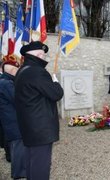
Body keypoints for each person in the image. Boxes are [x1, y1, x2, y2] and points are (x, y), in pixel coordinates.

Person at [14, 41, 64, 180]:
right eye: (42, 55)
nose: (44, 58)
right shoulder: (37, 72)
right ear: (38, 55)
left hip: (30, 125)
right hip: (40, 127)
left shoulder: (23, 70)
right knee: (40, 164)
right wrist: (56, 82)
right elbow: (56, 94)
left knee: (32, 160)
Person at [0, 60, 26, 179]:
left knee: (18, 146)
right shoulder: (6, 83)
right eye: (17, 70)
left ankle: (21, 170)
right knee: (18, 147)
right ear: (13, 70)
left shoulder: (7, 81)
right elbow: (18, 99)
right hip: (13, 121)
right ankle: (18, 174)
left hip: (12, 120)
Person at [0, 60, 11, 163]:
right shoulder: (4, 81)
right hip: (5, 112)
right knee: (6, 134)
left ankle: (8, 153)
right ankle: (9, 154)